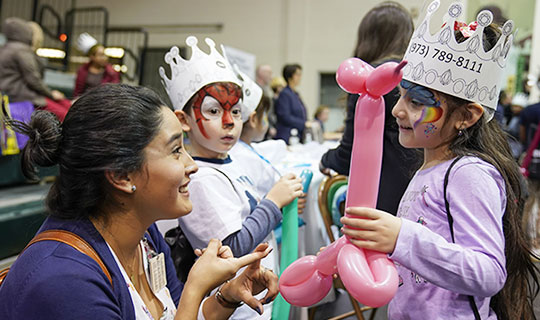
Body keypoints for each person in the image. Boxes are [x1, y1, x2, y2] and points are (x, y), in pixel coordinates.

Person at [0, 84, 279, 320]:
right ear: (121, 175)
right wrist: (196, 287)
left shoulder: (145, 239)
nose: (191, 165)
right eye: (175, 151)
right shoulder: (65, 281)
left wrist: (225, 296)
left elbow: (179, 311)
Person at [341, 3, 539, 319]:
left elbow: (487, 272)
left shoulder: (469, 174)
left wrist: (401, 237)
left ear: (466, 116)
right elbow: (424, 263)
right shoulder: (430, 169)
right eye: (401, 95)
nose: (397, 110)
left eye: (417, 101)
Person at [160, 36, 303, 319]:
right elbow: (233, 247)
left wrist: (279, 207)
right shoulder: (199, 179)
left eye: (236, 111)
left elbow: (247, 213)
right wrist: (273, 204)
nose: (229, 122)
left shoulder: (229, 163)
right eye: (213, 111)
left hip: (253, 297)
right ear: (184, 120)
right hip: (232, 307)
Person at [319, 2, 418, 215]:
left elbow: (348, 156)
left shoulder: (370, 82)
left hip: (382, 203)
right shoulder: (418, 78)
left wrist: (324, 159)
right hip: (423, 195)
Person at [0, 17, 70, 121]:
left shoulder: (6, 48)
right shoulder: (21, 50)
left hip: (15, 95)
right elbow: (33, 79)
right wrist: (51, 94)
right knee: (65, 115)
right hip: (25, 98)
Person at [74, 32, 120, 97]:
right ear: (92, 57)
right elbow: (78, 92)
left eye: (104, 55)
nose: (104, 58)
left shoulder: (111, 72)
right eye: (101, 55)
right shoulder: (82, 71)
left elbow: (114, 93)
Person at [273, 64, 307, 144]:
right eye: (297, 74)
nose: (300, 77)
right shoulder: (285, 94)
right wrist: (304, 123)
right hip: (287, 136)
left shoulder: (295, 94)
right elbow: (285, 116)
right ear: (290, 76)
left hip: (297, 135)